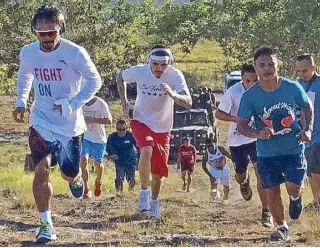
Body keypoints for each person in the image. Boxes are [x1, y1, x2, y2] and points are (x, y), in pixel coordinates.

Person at [12, 4, 102, 243]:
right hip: (41, 118)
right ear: (35, 32)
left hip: (70, 124)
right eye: (41, 33)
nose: (47, 38)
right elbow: (25, 76)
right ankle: (46, 225)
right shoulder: (29, 52)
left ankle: (75, 178)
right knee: (41, 169)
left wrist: (72, 103)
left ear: (60, 29)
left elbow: (95, 81)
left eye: (51, 32)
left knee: (68, 172)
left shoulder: (75, 53)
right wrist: (21, 102)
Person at [237, 47, 313, 241]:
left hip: (293, 147)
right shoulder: (250, 96)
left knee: (292, 187)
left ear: (278, 65)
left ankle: (296, 198)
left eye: (271, 64)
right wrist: (257, 133)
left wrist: (308, 128)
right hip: (266, 152)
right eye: (262, 65)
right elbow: (242, 126)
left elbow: (306, 105)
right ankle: (281, 227)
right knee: (271, 190)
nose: (267, 69)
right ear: (255, 68)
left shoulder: (291, 87)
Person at [116, 44, 192, 219]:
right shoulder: (140, 71)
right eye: (155, 64)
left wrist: (173, 94)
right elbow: (120, 77)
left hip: (163, 126)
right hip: (140, 119)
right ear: (149, 61)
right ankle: (144, 192)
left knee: (158, 172)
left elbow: (188, 102)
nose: (159, 68)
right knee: (146, 149)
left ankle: (155, 202)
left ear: (169, 63)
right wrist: (124, 103)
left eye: (163, 64)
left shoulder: (175, 75)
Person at [215, 63, 272, 227]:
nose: (252, 84)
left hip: (257, 138)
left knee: (261, 172)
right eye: (248, 81)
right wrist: (237, 119)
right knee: (240, 173)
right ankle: (244, 182)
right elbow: (218, 114)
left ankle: (266, 212)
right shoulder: (233, 92)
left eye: (255, 80)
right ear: (242, 79)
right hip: (237, 139)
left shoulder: (264, 90)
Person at [295, 54, 320, 211]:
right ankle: (317, 200)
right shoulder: (297, 85)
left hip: (318, 135)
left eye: (305, 70)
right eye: (298, 71)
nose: (302, 74)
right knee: (310, 171)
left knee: (316, 170)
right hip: (305, 137)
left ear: (314, 68)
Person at [80, 96, 112, 198]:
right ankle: (86, 188)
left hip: (99, 139)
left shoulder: (101, 103)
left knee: (98, 163)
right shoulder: (80, 101)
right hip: (86, 137)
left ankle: (99, 181)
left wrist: (93, 120)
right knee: (83, 160)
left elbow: (109, 120)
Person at [106, 120, 138, 195]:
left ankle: (131, 192)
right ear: (116, 128)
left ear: (126, 128)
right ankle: (119, 193)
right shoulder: (112, 137)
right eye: (119, 129)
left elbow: (138, 146)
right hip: (119, 161)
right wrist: (112, 155)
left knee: (131, 178)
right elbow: (108, 149)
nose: (121, 131)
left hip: (130, 160)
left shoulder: (130, 136)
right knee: (119, 178)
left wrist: (138, 158)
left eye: (123, 129)